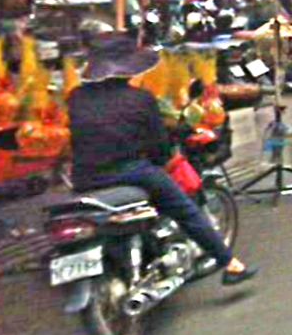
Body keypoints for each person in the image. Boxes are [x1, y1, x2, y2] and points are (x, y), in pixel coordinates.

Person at [68, 33, 258, 286]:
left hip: (84, 177)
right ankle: (231, 265)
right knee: (185, 210)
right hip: (131, 172)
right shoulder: (140, 99)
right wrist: (162, 157)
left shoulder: (76, 97)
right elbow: (159, 147)